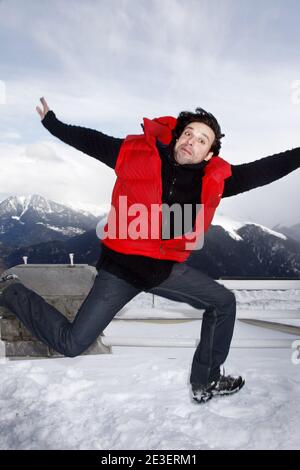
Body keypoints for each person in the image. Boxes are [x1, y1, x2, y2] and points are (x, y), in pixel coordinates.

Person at [1, 97, 299, 403]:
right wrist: (53, 123)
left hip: (162, 270)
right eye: (188, 134)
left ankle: (205, 381)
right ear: (177, 136)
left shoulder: (215, 179)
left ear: (208, 153)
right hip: (119, 270)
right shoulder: (135, 154)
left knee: (223, 302)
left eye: (201, 140)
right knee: (72, 343)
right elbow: (91, 141)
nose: (191, 142)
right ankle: (10, 291)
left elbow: (266, 169)